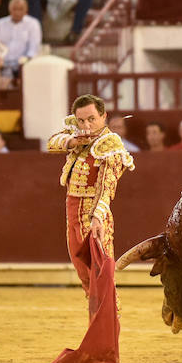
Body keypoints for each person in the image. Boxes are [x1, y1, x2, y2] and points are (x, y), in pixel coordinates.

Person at [46, 93, 135, 289]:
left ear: (104, 116)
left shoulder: (110, 145)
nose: (86, 125)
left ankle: (108, 308)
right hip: (72, 208)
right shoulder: (76, 133)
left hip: (92, 210)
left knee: (100, 267)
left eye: (92, 119)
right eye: (81, 120)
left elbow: (106, 187)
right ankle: (94, 307)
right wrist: (72, 141)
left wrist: (97, 217)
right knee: (81, 265)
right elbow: (51, 143)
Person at [0, 0, 42, 79]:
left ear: (26, 10)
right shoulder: (0, 23)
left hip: (23, 65)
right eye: (14, 9)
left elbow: (33, 49)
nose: (17, 12)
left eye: (21, 9)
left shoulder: (33, 24)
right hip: (2, 64)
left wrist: (24, 61)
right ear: (9, 9)